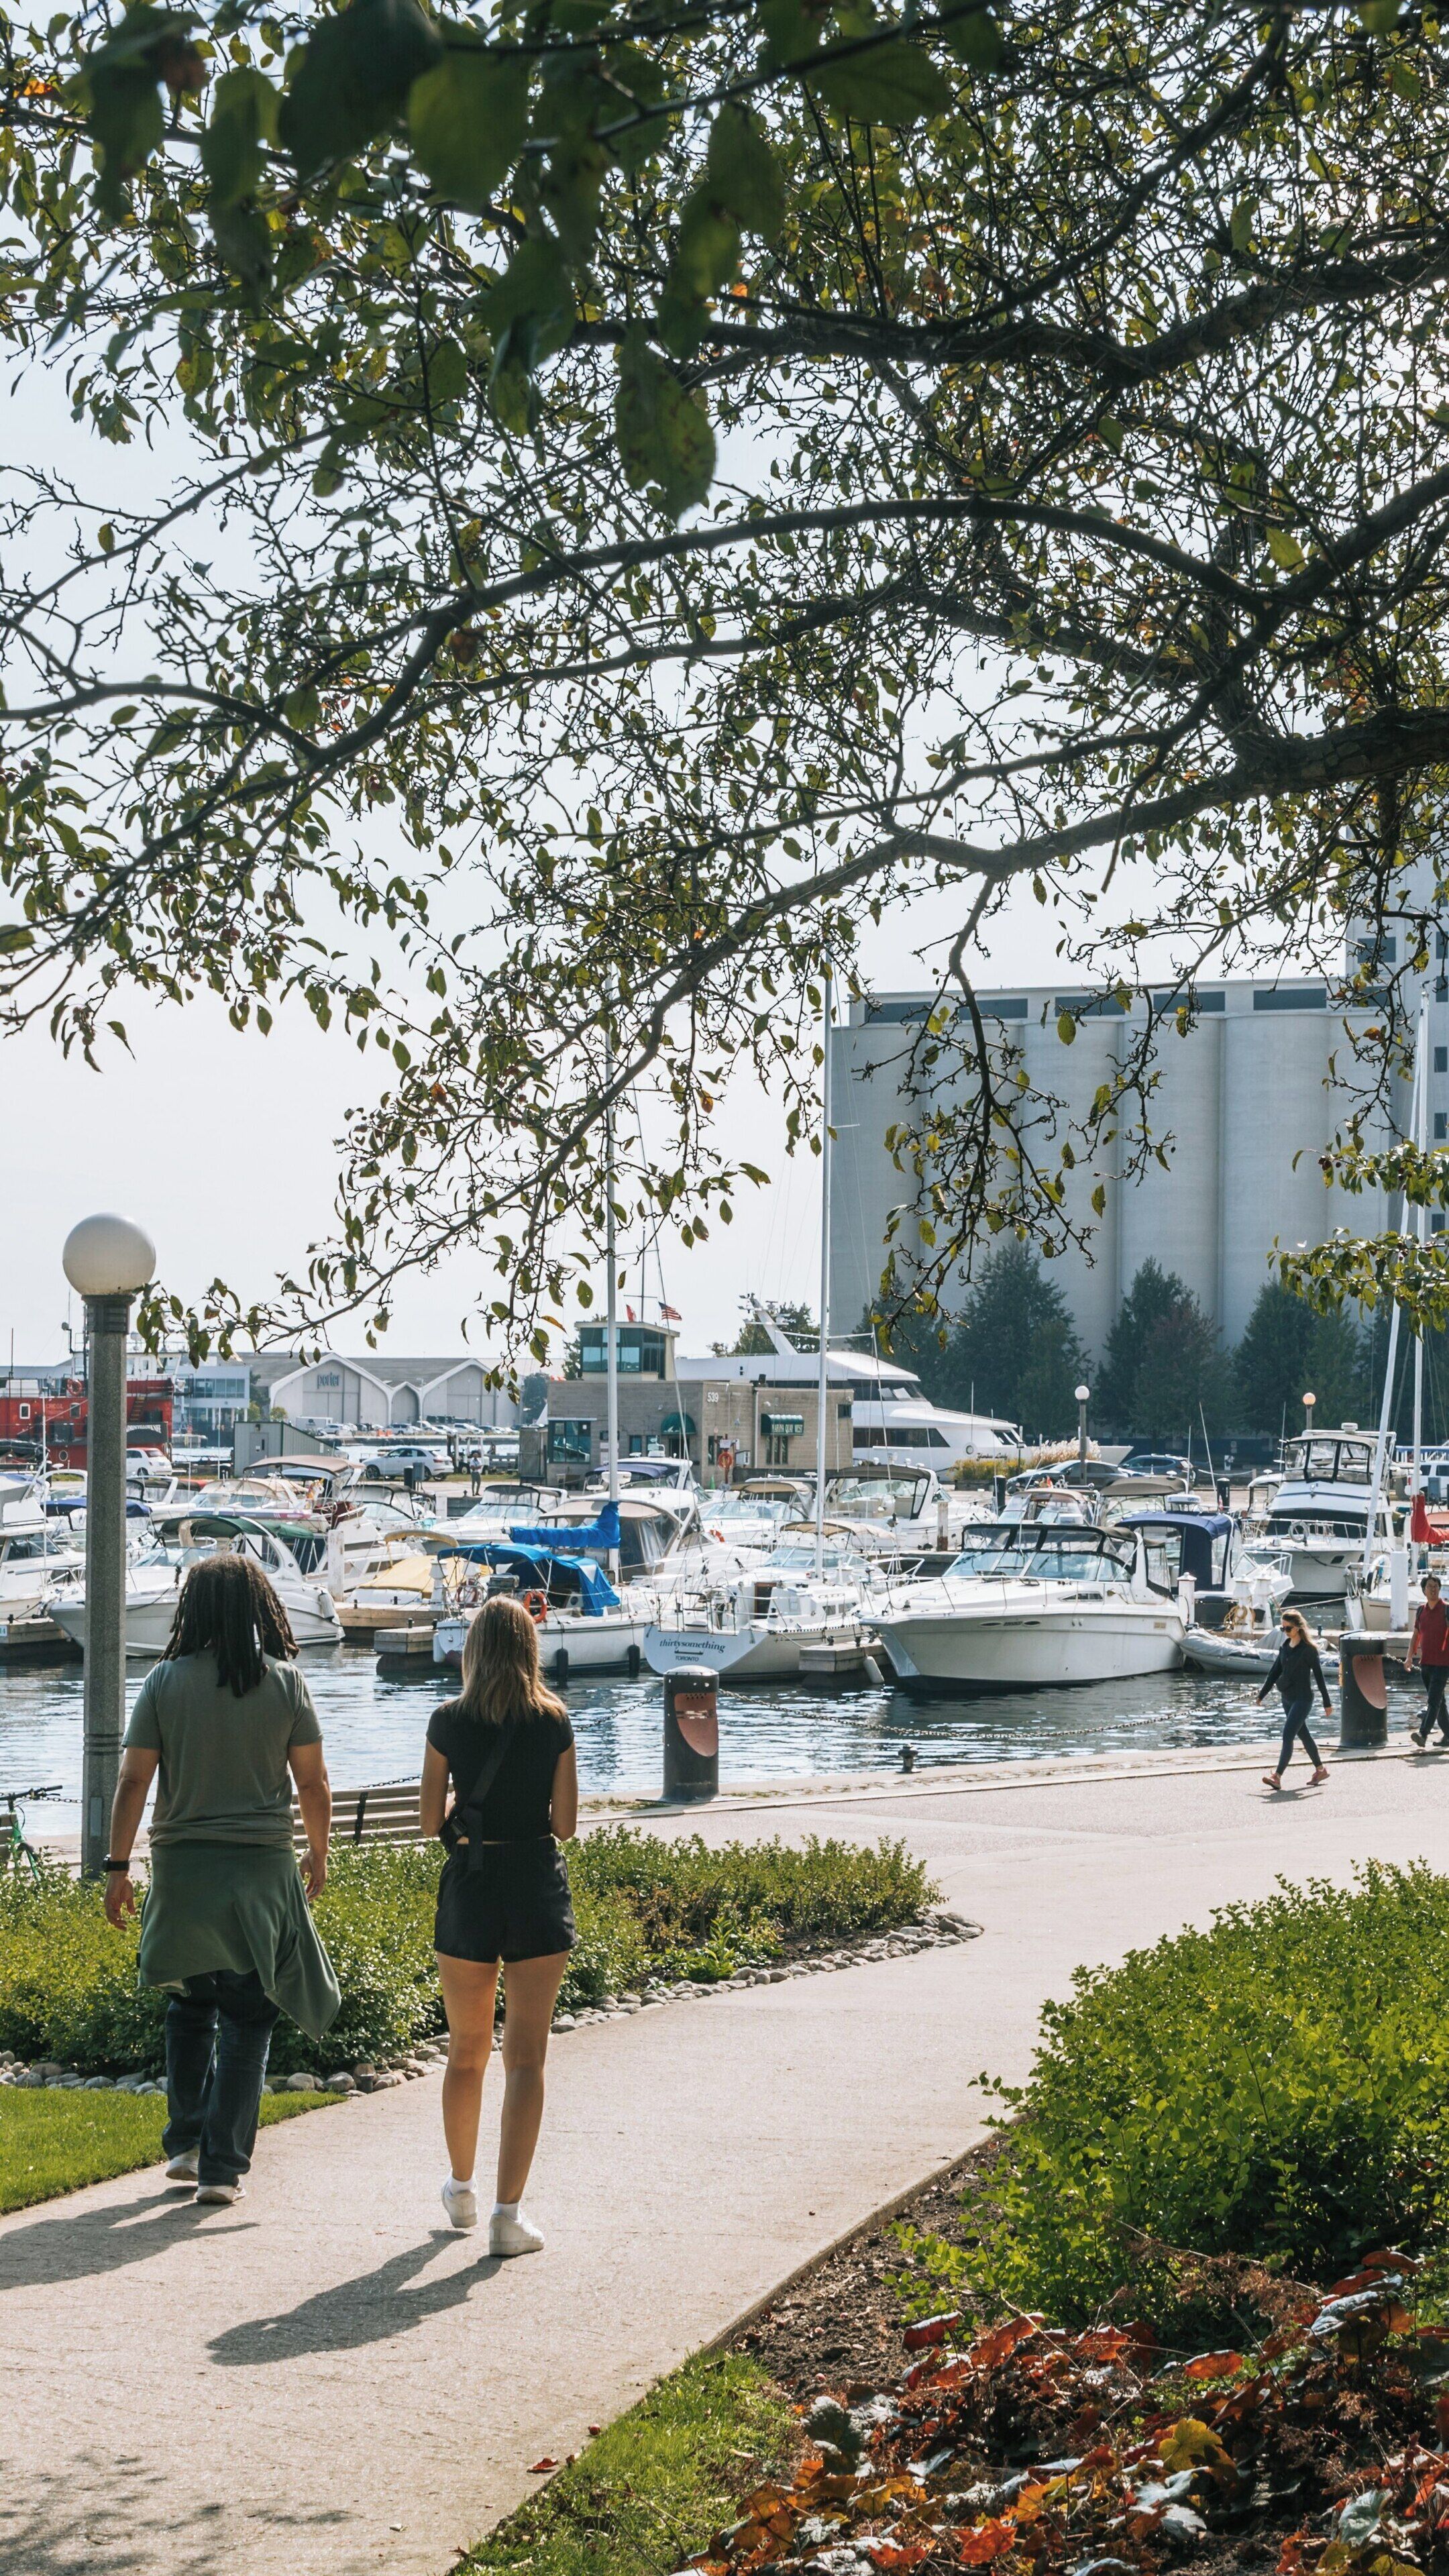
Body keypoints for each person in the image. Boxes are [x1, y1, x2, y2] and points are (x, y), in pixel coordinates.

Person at [105, 1553, 340, 2208]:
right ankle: (221, 2168)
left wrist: (118, 1868)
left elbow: (133, 1782)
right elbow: (313, 1783)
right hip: (260, 1873)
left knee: (190, 2003)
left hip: (183, 1873)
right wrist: (319, 1853)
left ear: (193, 1611)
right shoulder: (286, 1684)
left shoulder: (163, 1682)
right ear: (260, 1609)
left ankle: (184, 2141)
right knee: (248, 2013)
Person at [419, 1593, 578, 2253]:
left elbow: (431, 1823)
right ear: (530, 1649)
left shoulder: (447, 1721)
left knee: (466, 2052)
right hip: (535, 1887)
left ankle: (461, 2188)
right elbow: (566, 1824)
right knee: (527, 2060)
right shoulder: (554, 1721)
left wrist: (465, 1802)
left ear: (475, 1650)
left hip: (472, 1886)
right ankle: (508, 2217)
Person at [1257, 1607, 1333, 1790]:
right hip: (1287, 1698)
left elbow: (1319, 1677)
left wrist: (1327, 1702)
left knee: (1288, 1734)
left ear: (1298, 1628)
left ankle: (1277, 1776)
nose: (1285, 1632)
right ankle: (1321, 1769)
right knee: (1304, 1734)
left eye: (1288, 1629)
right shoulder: (1284, 1648)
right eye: (1282, 1629)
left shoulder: (1309, 1650)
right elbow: (1274, 1673)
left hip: (1303, 1699)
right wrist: (1262, 1694)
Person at [1406, 1572, 1449, 1747]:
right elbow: (1416, 1635)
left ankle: (1423, 1735)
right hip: (1426, 1664)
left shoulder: (1446, 1609)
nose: (1433, 1589)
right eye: (1430, 1587)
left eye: (1436, 1586)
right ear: (1424, 1590)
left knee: (1433, 1701)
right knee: (1440, 1702)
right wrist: (1409, 1657)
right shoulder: (1421, 1611)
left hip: (1443, 1663)